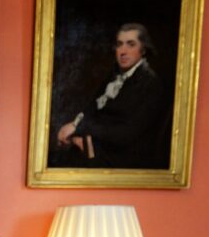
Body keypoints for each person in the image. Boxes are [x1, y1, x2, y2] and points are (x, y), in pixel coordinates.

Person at [54, 23, 167, 169]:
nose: (123, 51)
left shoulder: (150, 83)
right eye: (120, 44)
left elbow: (125, 135)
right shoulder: (115, 76)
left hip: (122, 159)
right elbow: (92, 108)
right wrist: (76, 127)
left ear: (143, 49)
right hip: (97, 148)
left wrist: (79, 128)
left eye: (131, 44)